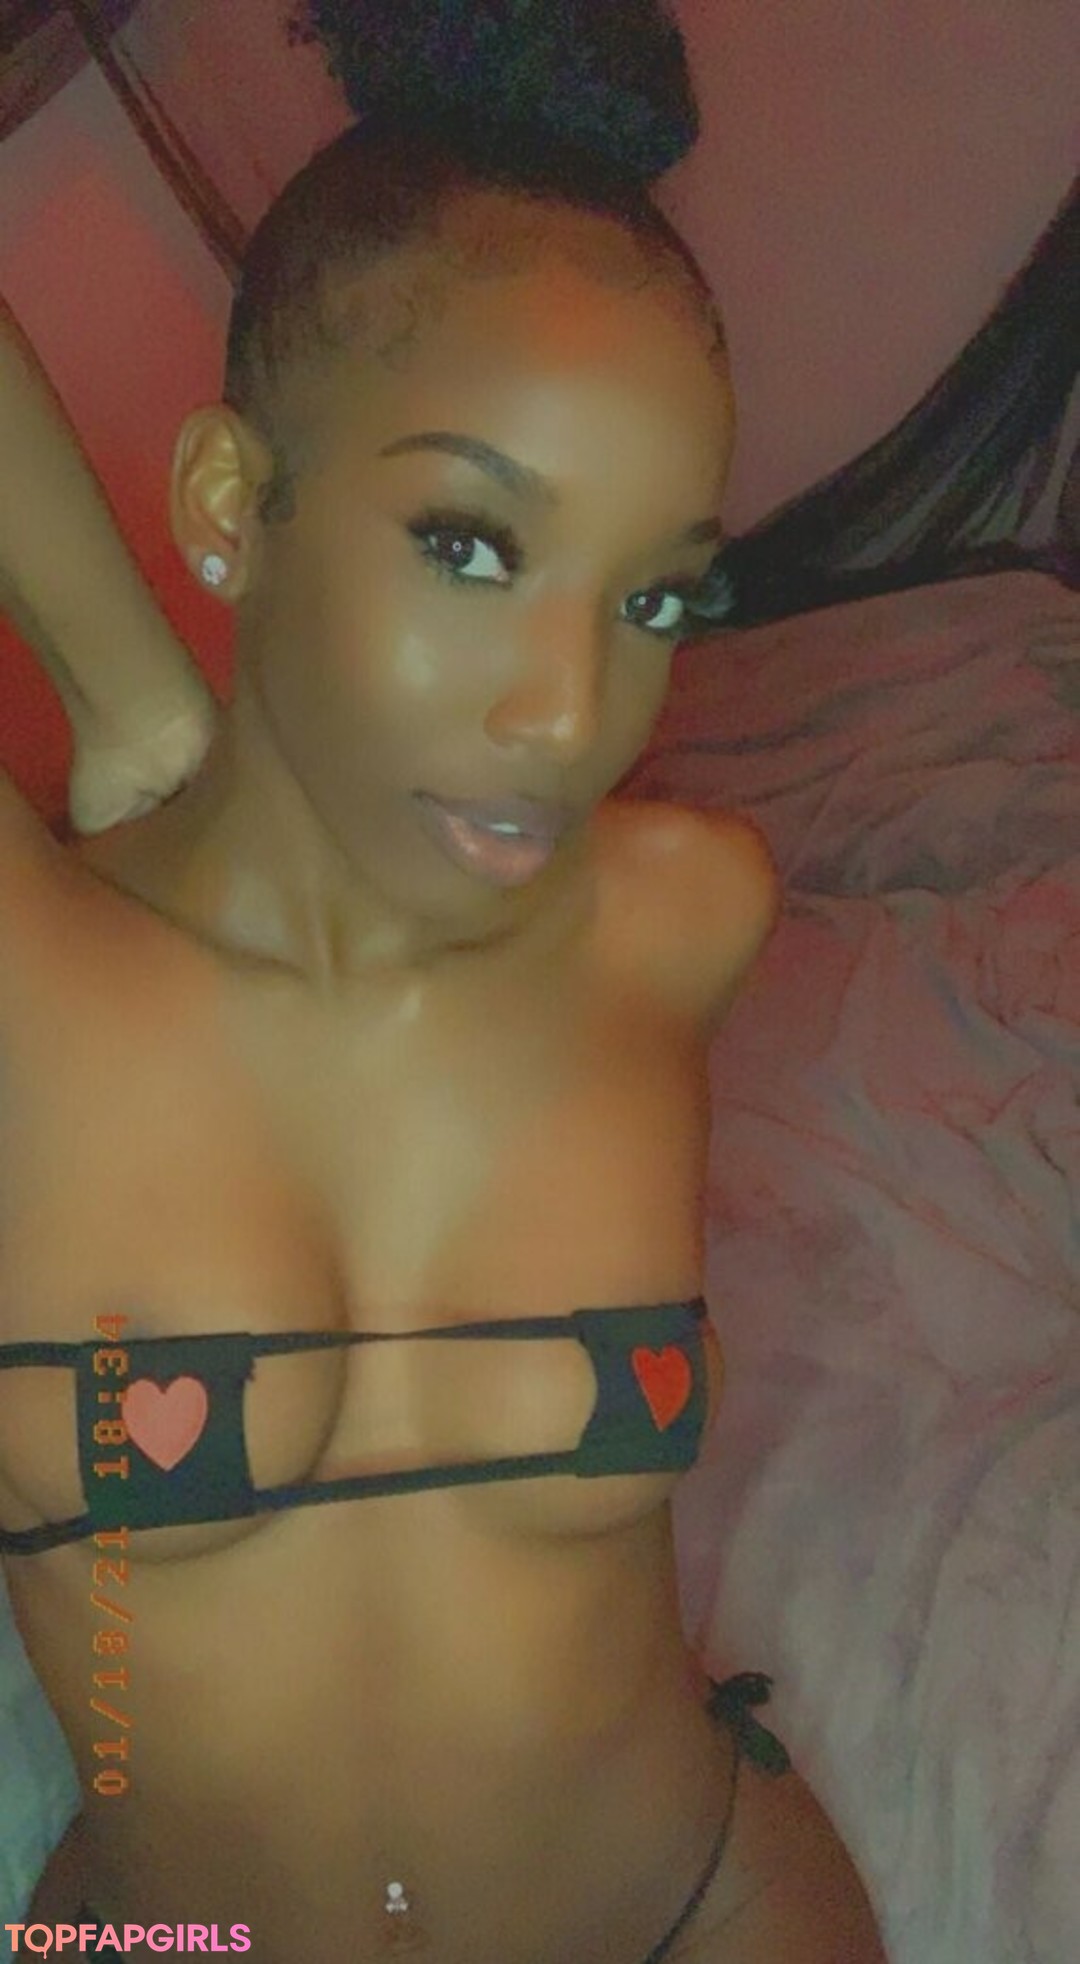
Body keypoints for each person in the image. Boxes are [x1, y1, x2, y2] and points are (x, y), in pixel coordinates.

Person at [0, 3, 887, 1958]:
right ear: (230, 506)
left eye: (653, 595)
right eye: (471, 544)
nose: (572, 716)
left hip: (694, 1904)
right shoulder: (31, 982)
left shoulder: (678, 917)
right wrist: (120, 685)